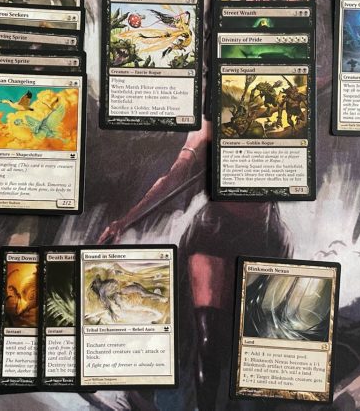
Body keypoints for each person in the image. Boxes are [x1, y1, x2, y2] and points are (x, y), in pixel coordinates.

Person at [98, 120, 291, 409]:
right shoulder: (204, 128)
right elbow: (174, 177)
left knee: (247, 331)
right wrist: (124, 221)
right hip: (216, 232)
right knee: (208, 333)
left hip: (264, 234)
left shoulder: (268, 113)